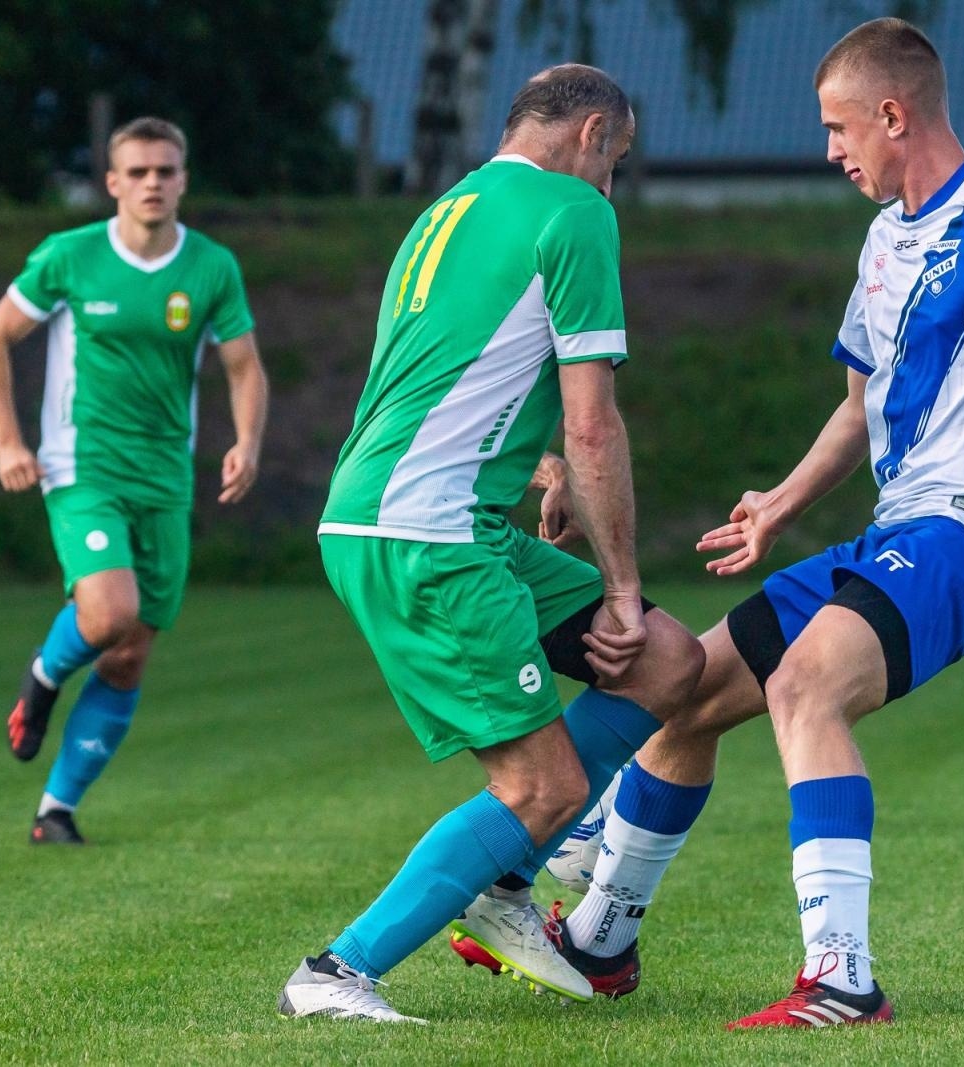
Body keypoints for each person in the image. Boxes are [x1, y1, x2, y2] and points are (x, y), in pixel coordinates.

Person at [543, 18, 964, 1029]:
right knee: (692, 697)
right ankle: (597, 940)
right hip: (900, 528)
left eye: (838, 129)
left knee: (805, 684)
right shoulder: (884, 238)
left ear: (893, 115)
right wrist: (779, 504)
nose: (830, 151)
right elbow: (857, 407)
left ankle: (841, 977)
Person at [275, 64, 705, 1025]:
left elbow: (449, 383)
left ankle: (503, 884)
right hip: (428, 535)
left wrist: (542, 474)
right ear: (593, 132)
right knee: (544, 785)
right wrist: (621, 581)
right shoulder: (575, 211)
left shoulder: (445, 209)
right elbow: (596, 423)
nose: (613, 184)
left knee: (670, 666)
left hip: (427, 513)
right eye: (619, 161)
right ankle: (337, 970)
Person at [0, 116, 269, 846]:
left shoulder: (210, 267)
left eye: (165, 171)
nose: (152, 184)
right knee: (106, 612)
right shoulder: (69, 257)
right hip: (83, 465)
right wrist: (9, 442)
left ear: (183, 180)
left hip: (165, 477)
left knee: (130, 650)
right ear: (112, 182)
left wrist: (248, 441)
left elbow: (243, 366)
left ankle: (55, 810)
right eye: (137, 172)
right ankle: (42, 678)